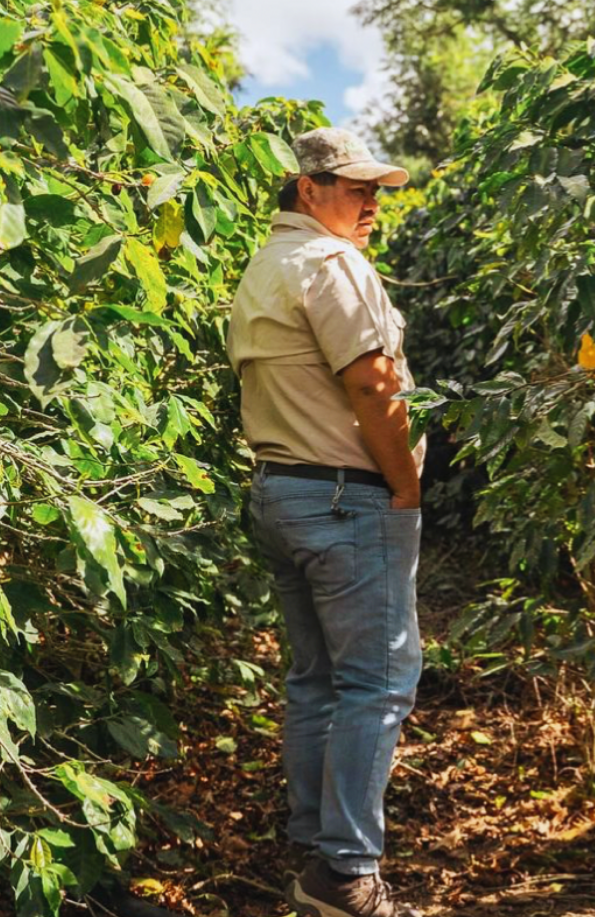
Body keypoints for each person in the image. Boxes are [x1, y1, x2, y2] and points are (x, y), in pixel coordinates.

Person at [227, 128, 425, 917]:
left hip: (282, 492)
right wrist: (405, 490)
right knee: (377, 683)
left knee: (315, 680)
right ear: (307, 190)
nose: (371, 203)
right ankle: (344, 874)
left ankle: (314, 844)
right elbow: (375, 388)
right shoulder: (332, 264)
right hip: (345, 498)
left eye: (375, 190)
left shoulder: (266, 265)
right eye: (355, 189)